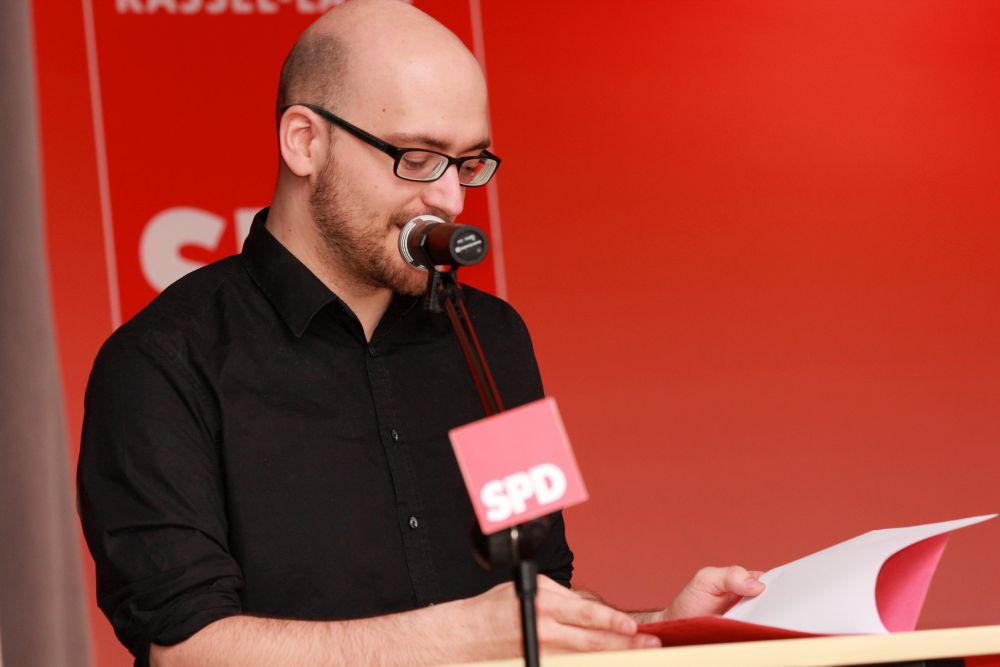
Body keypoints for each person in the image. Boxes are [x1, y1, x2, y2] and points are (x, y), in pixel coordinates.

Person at [78, 1, 765, 666]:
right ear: (305, 142)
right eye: (416, 157)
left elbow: (538, 597)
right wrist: (455, 638)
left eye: (467, 164)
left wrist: (656, 629)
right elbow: (187, 649)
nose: (449, 199)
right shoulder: (161, 362)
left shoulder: (492, 338)